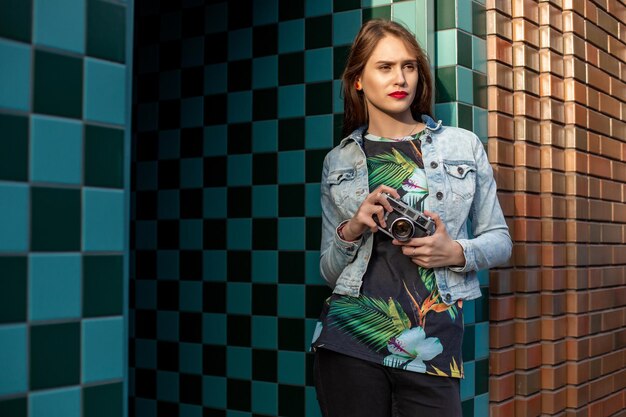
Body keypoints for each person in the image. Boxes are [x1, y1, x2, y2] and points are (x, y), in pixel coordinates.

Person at [310, 19, 512, 416]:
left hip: (432, 344)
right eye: (384, 67)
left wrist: (453, 251)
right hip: (349, 339)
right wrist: (352, 228)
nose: (400, 77)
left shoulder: (462, 145)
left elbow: (500, 240)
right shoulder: (339, 160)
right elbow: (329, 272)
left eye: (409, 66)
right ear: (358, 81)